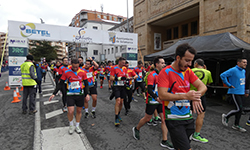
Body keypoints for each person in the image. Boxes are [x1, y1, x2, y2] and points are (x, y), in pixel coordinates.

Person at [157, 43, 207, 150]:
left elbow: (202, 87)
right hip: (173, 118)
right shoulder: (166, 72)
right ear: (178, 58)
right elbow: (162, 95)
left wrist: (196, 97)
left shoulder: (188, 71)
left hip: (188, 117)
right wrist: (186, 96)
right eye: (187, 60)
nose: (189, 64)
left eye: (191, 61)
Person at [132, 56, 174, 149]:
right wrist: (156, 97)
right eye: (162, 63)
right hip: (152, 99)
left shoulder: (164, 74)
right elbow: (149, 90)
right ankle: (136, 128)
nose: (164, 64)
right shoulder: (152, 75)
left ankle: (164, 140)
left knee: (164, 120)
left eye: (164, 63)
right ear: (157, 64)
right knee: (147, 118)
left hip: (161, 100)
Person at [49, 59, 90, 134]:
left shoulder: (82, 72)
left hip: (80, 94)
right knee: (70, 111)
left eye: (76, 67)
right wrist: (54, 93)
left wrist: (87, 94)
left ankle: (77, 126)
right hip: (70, 94)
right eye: (73, 67)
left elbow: (86, 84)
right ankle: (71, 125)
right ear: (71, 64)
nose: (75, 68)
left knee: (79, 111)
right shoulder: (66, 72)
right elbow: (60, 83)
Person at [221, 58, 248, 132]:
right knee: (239, 109)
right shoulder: (233, 70)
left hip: (241, 92)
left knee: (240, 109)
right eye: (244, 62)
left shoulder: (243, 71)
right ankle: (226, 117)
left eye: (246, 62)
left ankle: (236, 125)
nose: (245, 63)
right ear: (238, 63)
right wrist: (228, 84)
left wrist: (245, 91)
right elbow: (222, 75)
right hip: (235, 92)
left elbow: (242, 82)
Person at [190, 59, 213, 143]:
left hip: (189, 95)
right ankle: (196, 134)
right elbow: (208, 83)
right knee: (201, 114)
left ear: (196, 64)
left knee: (188, 113)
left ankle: (186, 132)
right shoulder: (208, 72)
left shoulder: (190, 71)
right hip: (201, 95)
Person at [110, 57, 127, 126]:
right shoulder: (114, 68)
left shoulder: (125, 68)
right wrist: (119, 78)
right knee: (118, 100)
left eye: (124, 63)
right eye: (122, 63)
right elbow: (111, 78)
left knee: (122, 102)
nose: (124, 64)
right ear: (119, 62)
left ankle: (118, 114)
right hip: (116, 86)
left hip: (123, 86)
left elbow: (126, 75)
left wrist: (128, 78)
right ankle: (116, 118)